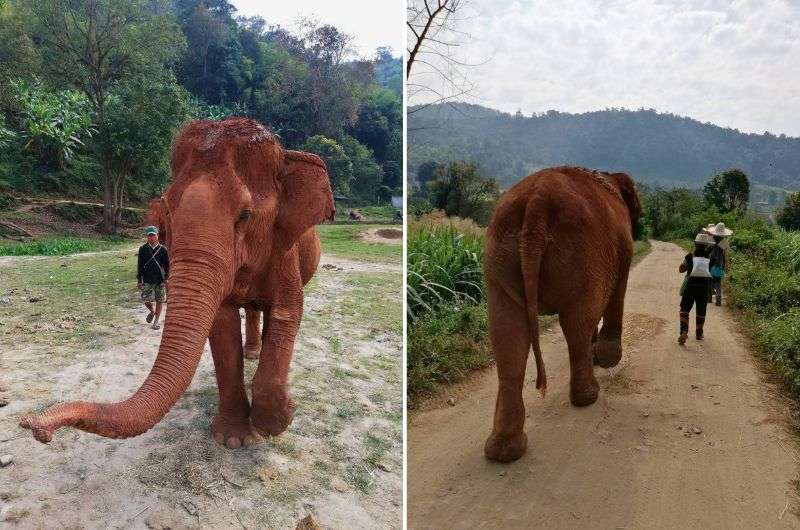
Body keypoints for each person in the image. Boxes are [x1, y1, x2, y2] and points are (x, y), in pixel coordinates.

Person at [678, 233, 714, 344]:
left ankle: (684, 331)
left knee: (684, 309)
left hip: (690, 286)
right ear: (706, 245)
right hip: (704, 288)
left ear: (695, 244)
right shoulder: (709, 259)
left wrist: (688, 264)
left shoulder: (689, 256)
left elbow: (681, 269)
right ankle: (699, 333)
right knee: (701, 311)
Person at [137, 226, 169, 330]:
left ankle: (156, 322)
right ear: (147, 237)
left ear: (157, 236)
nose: (151, 238)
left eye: (153, 235)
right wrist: (139, 280)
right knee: (145, 299)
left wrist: (167, 278)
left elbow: (167, 265)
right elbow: (140, 265)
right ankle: (152, 311)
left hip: (160, 279)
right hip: (147, 278)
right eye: (149, 235)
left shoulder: (163, 249)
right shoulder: (143, 249)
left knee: (160, 300)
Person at [703, 222, 734, 306]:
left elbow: (707, 250)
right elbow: (727, 253)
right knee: (718, 281)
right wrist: (727, 265)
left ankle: (709, 298)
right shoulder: (725, 242)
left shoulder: (712, 239)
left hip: (711, 262)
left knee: (709, 279)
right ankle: (718, 297)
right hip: (720, 263)